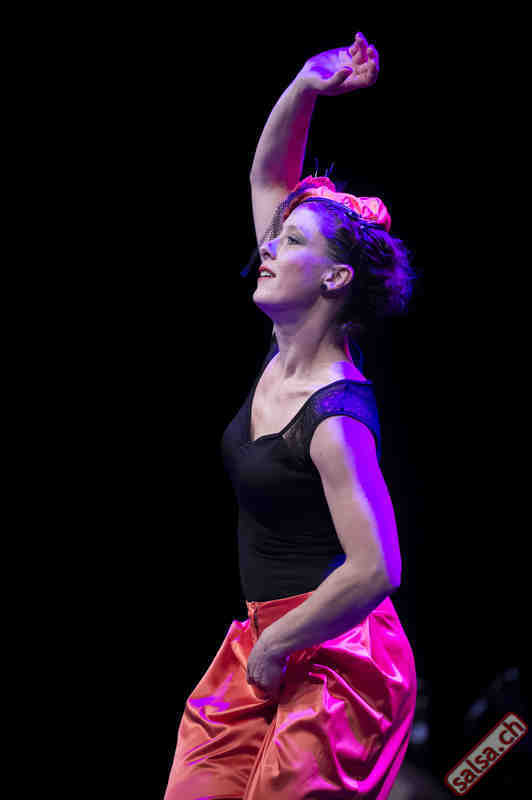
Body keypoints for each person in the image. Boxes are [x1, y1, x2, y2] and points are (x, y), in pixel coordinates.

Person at [164, 32, 419, 800]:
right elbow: (269, 176)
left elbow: (377, 568)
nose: (268, 249)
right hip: (266, 633)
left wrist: (279, 643)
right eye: (276, 235)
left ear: (334, 278)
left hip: (343, 655)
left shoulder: (336, 417)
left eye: (292, 240)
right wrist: (307, 84)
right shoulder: (287, 340)